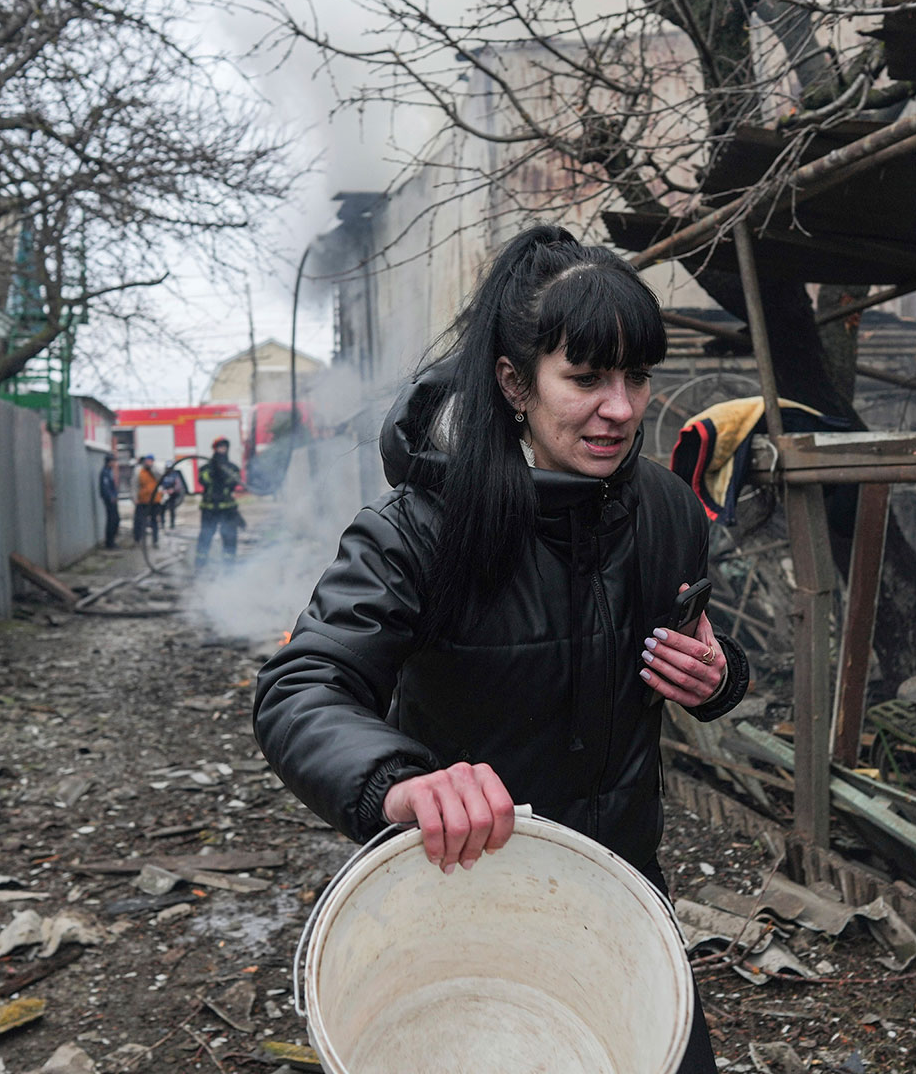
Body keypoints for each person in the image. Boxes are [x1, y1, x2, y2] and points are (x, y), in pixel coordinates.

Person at [253, 226, 748, 1074]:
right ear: (515, 383)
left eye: (635, 377)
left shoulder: (665, 509)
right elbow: (303, 686)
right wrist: (401, 782)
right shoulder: (418, 527)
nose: (622, 408)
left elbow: (708, 648)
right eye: (586, 378)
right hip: (459, 902)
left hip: (624, 899)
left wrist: (719, 676)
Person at [196, 437, 244, 567]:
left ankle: (229, 568)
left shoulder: (233, 468)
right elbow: (203, 480)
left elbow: (234, 483)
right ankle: (200, 566)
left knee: (230, 539)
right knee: (205, 538)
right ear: (215, 449)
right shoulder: (206, 467)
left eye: (224, 447)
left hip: (227, 509)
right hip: (209, 509)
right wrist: (214, 472)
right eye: (220, 447)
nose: (222, 449)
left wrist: (225, 475)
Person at [133, 454, 162, 548]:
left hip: (155, 501)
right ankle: (138, 540)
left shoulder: (156, 470)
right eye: (147, 460)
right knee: (140, 521)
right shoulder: (139, 471)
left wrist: (152, 468)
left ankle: (155, 541)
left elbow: (161, 478)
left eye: (150, 461)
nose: (148, 462)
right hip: (143, 501)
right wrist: (134, 498)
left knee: (154, 522)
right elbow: (134, 485)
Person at [98, 454, 121, 549]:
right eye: (113, 461)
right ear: (109, 462)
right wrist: (110, 497)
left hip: (113, 499)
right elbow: (105, 487)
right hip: (109, 500)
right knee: (111, 521)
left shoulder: (110, 471)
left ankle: (112, 541)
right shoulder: (105, 472)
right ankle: (109, 543)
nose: (114, 463)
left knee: (116, 519)